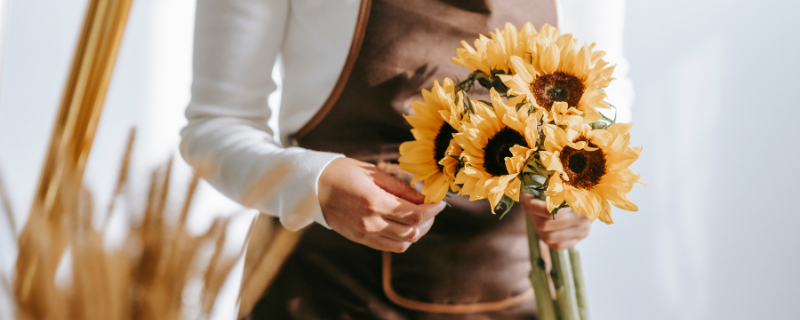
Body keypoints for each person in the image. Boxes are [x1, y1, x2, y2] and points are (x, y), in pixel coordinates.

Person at [181, 0, 633, 318]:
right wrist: (311, 184)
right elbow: (214, 124)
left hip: (517, 292)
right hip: (327, 289)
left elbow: (604, 81)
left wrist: (579, 184)